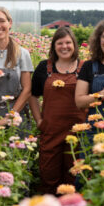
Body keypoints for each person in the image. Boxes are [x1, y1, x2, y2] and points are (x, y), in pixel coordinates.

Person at [29, 27, 88, 194]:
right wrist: (39, 121)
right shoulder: (44, 67)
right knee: (48, 172)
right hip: (51, 130)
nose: (64, 46)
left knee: (74, 172)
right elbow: (33, 96)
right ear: (54, 46)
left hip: (77, 131)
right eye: (60, 43)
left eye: (68, 42)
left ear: (75, 45)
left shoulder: (85, 68)